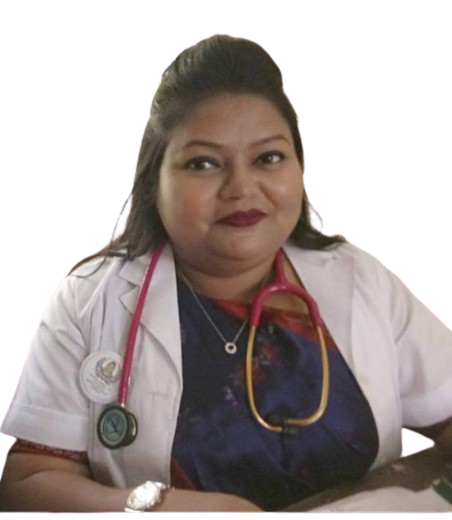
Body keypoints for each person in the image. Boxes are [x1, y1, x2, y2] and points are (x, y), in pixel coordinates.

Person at [0, 33, 451, 514]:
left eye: (268, 158)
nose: (241, 187)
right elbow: (28, 483)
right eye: (203, 163)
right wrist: (160, 508)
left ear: (300, 168)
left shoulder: (357, 276)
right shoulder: (92, 301)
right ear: (154, 181)